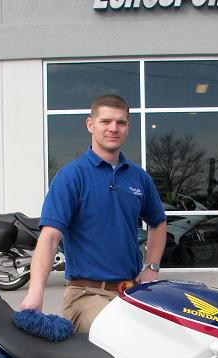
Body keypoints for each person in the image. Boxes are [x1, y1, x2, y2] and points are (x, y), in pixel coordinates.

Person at [19, 94, 167, 332]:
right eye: (105, 121)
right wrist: (35, 294)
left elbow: (158, 223)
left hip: (130, 293)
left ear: (128, 127)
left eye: (120, 122)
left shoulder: (138, 177)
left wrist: (151, 268)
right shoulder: (71, 176)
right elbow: (50, 238)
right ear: (90, 124)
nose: (113, 128)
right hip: (86, 295)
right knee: (122, 334)